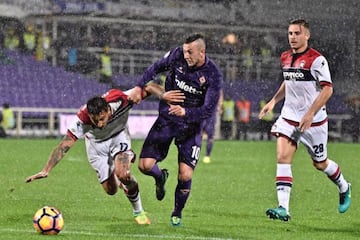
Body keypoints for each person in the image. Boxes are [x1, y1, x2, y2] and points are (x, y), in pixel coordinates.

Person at [25, 83, 185, 225]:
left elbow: (149, 87)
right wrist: (46, 169)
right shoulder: (82, 120)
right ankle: (120, 180)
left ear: (108, 109)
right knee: (111, 190)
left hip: (119, 137)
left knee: (124, 174)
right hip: (96, 148)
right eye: (96, 121)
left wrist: (163, 95)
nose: (100, 124)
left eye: (102, 119)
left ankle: (139, 211)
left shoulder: (122, 100)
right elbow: (64, 145)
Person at [258, 19, 351, 221]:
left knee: (320, 163)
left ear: (306, 35)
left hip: (314, 122)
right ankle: (284, 208)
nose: (292, 37)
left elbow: (328, 89)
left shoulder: (317, 60)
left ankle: (344, 186)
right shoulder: (285, 57)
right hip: (290, 117)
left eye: (297, 33)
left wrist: (310, 113)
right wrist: (273, 101)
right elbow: (289, 80)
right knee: (283, 157)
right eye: (290, 33)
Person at [127, 33, 223, 226]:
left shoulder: (213, 74)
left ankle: (177, 212)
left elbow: (208, 110)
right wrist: (139, 86)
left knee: (185, 174)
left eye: (190, 51)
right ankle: (160, 177)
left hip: (191, 127)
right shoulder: (176, 55)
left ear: (202, 52)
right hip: (167, 120)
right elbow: (154, 69)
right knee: (144, 166)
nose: (185, 54)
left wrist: (185, 112)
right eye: (185, 50)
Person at [201, 89, 223, 163]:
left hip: (210, 115)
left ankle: (207, 155)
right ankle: (194, 154)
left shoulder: (215, 84)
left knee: (210, 136)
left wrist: (220, 105)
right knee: (197, 135)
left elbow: (220, 92)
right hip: (202, 114)